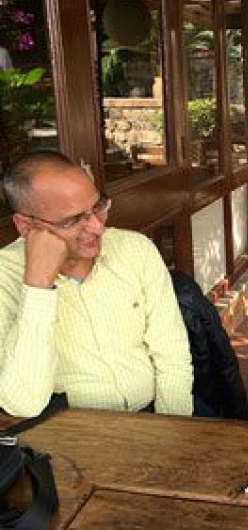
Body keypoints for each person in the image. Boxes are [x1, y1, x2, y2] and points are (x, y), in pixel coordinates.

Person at [0, 152, 193, 417]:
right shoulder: (4, 277)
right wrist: (37, 286)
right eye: (72, 220)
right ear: (25, 225)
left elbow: (172, 352)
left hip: (153, 415)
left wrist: (173, 427)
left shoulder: (135, 249)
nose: (97, 228)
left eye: (98, 207)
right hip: (68, 435)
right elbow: (24, 403)